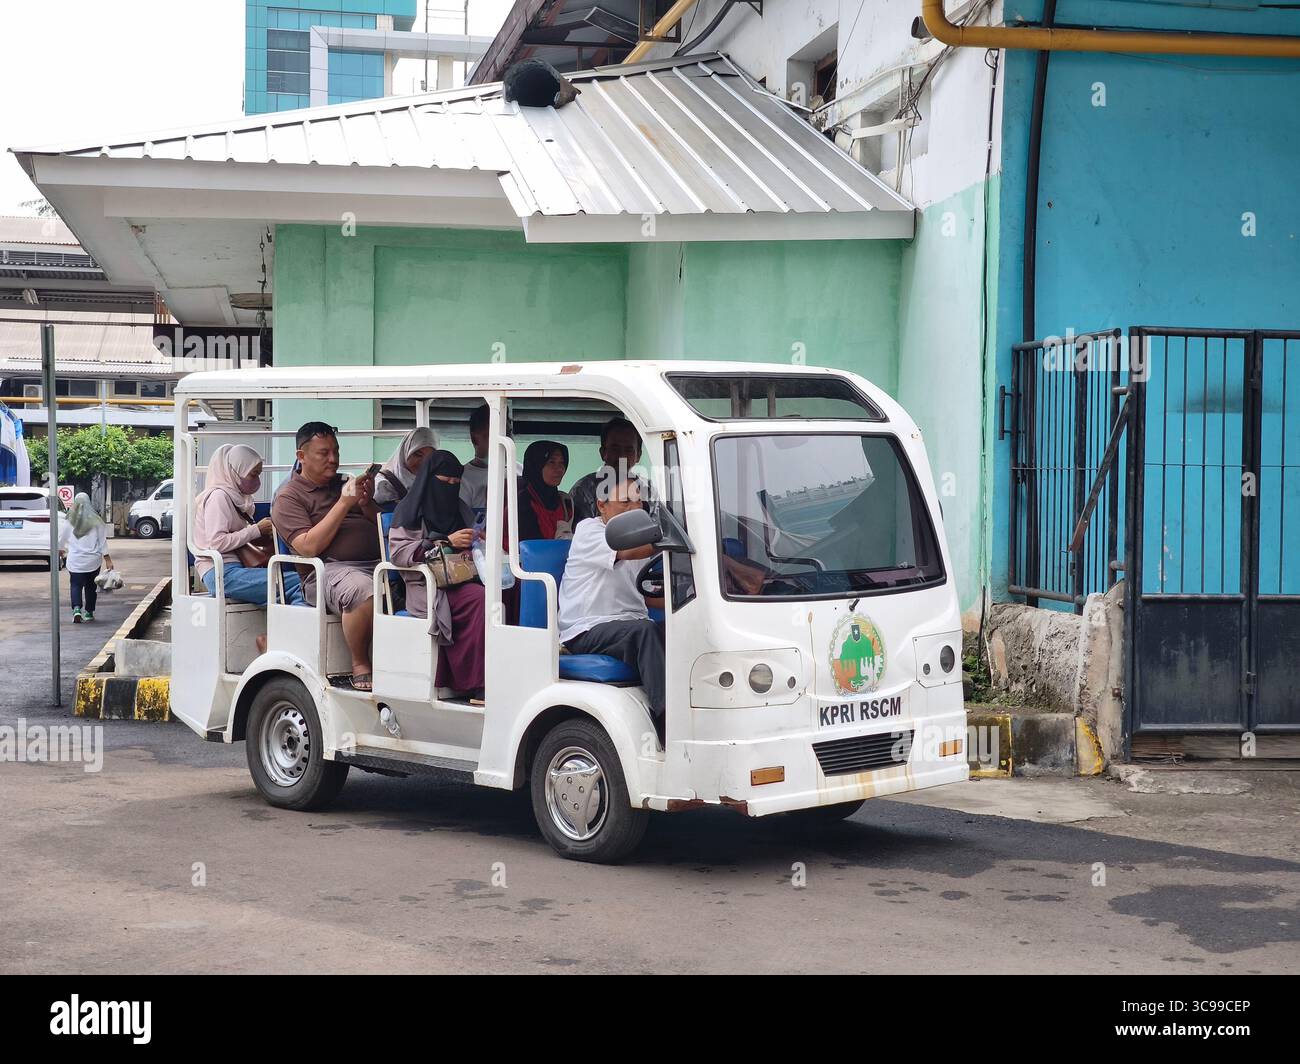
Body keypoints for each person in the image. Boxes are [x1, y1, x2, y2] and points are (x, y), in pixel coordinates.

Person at [271, 422, 381, 690]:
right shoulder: (288, 497)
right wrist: (344, 504)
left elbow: (382, 527)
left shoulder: (344, 482)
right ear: (301, 456)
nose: (333, 459)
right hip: (326, 571)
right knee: (362, 589)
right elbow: (308, 547)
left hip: (376, 562)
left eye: (336, 451)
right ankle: (359, 662)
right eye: (323, 453)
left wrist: (366, 504)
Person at [558, 473, 665, 742]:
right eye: (624, 501)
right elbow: (628, 552)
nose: (633, 508)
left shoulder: (638, 539)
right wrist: (668, 536)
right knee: (645, 632)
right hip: (587, 629)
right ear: (602, 505)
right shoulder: (590, 531)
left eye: (638, 503)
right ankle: (669, 721)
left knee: (684, 626)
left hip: (628, 625)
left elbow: (647, 595)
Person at [387, 450, 486, 698]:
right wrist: (445, 541)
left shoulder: (460, 508)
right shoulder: (409, 510)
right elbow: (399, 554)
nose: (449, 489)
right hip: (428, 587)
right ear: (429, 479)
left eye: (455, 484)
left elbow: (475, 535)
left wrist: (477, 539)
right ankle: (474, 683)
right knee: (480, 599)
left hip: (462, 577)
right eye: (444, 482)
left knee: (505, 592)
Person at [194, 444, 303, 606]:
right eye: (252, 475)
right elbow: (217, 543)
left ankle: (278, 630)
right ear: (235, 472)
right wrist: (256, 530)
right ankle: (277, 632)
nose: (257, 480)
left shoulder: (238, 499)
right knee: (301, 583)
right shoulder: (219, 497)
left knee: (295, 590)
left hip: (237, 569)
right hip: (221, 573)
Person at [570, 416, 653, 524]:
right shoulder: (584, 490)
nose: (622, 455)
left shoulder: (648, 490)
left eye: (628, 450)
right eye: (615, 449)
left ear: (638, 455)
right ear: (603, 452)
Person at [58, 492, 114, 623]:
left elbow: (62, 538)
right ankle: (89, 612)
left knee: (75, 585)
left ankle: (77, 609)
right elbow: (102, 542)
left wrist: (60, 550)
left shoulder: (69, 520)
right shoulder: (96, 520)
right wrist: (108, 560)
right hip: (92, 561)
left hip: (75, 561)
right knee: (90, 587)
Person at [517, 440, 573, 541]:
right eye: (551, 462)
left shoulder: (566, 503)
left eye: (562, 462)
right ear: (536, 465)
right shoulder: (521, 504)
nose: (559, 468)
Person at [372, 426, 437, 509]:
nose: (423, 462)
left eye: (429, 458)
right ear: (405, 452)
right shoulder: (382, 485)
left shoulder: (437, 482)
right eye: (418, 455)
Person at [458, 404, 491, 522]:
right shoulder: (461, 478)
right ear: (474, 438)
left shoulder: (518, 470)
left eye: (508, 433)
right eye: (491, 436)